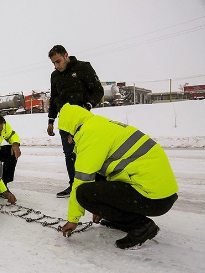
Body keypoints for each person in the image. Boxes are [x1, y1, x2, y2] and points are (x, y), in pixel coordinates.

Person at [58, 103, 178, 249]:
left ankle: (142, 227)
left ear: (71, 130)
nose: (69, 141)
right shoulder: (100, 125)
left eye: (67, 137)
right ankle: (120, 220)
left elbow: (81, 181)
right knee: (99, 180)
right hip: (161, 193)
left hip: (154, 198)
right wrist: (102, 209)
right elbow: (110, 172)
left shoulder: (90, 134)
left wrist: (73, 220)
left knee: (84, 193)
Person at [47, 45, 104, 198]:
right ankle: (75, 186)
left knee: (88, 153)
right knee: (70, 154)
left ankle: (96, 186)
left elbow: (98, 90)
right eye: (54, 63)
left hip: (83, 120)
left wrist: (87, 106)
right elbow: (54, 99)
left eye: (58, 61)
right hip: (66, 122)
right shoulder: (55, 76)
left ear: (66, 55)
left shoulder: (83, 68)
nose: (57, 66)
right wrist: (51, 120)